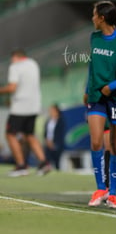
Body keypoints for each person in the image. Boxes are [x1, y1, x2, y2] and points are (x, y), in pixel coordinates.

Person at [84, 0, 116, 209]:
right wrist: (88, 90)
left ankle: (113, 193)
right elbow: (91, 66)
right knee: (96, 142)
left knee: (115, 146)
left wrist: (112, 86)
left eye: (94, 14)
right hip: (97, 96)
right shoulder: (94, 38)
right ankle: (100, 188)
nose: (92, 18)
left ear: (102, 18)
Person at [0, 49, 51, 177]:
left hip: (20, 107)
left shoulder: (15, 66)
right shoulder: (33, 64)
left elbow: (12, 87)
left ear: (16, 57)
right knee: (29, 135)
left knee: (10, 134)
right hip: (34, 106)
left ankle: (21, 165)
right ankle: (44, 162)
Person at [44, 104, 66, 170]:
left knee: (57, 162)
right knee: (48, 160)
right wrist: (47, 141)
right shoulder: (48, 121)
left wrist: (54, 143)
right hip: (48, 144)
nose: (50, 111)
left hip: (57, 144)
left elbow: (60, 133)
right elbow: (45, 132)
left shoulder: (61, 120)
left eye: (52, 110)